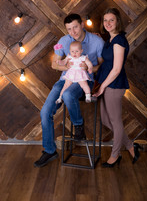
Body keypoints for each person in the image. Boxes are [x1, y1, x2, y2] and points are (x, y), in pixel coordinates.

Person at [34, 13, 104, 167]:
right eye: (69, 29)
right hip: (65, 80)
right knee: (45, 112)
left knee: (67, 94)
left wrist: (90, 68)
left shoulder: (97, 41)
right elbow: (54, 64)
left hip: (85, 81)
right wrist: (64, 66)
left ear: (82, 24)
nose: (73, 32)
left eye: (75, 27)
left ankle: (78, 126)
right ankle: (50, 150)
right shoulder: (63, 41)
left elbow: (102, 65)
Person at [93, 8, 142, 168]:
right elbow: (107, 61)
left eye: (111, 20)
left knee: (115, 121)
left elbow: (116, 69)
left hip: (114, 85)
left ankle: (115, 155)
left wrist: (102, 87)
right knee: (107, 120)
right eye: (105, 20)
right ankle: (130, 146)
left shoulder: (119, 40)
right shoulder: (110, 39)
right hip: (106, 83)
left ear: (118, 22)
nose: (107, 23)